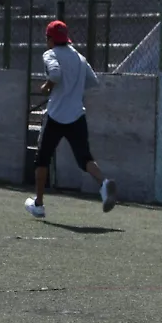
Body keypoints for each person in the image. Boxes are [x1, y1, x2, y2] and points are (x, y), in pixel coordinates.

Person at [26, 20, 116, 219]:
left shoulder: (50, 54)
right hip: (77, 114)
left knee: (42, 159)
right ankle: (104, 183)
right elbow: (93, 81)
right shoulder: (79, 57)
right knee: (84, 158)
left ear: (50, 39)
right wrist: (73, 89)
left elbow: (56, 74)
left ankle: (39, 204)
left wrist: (47, 86)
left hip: (56, 115)